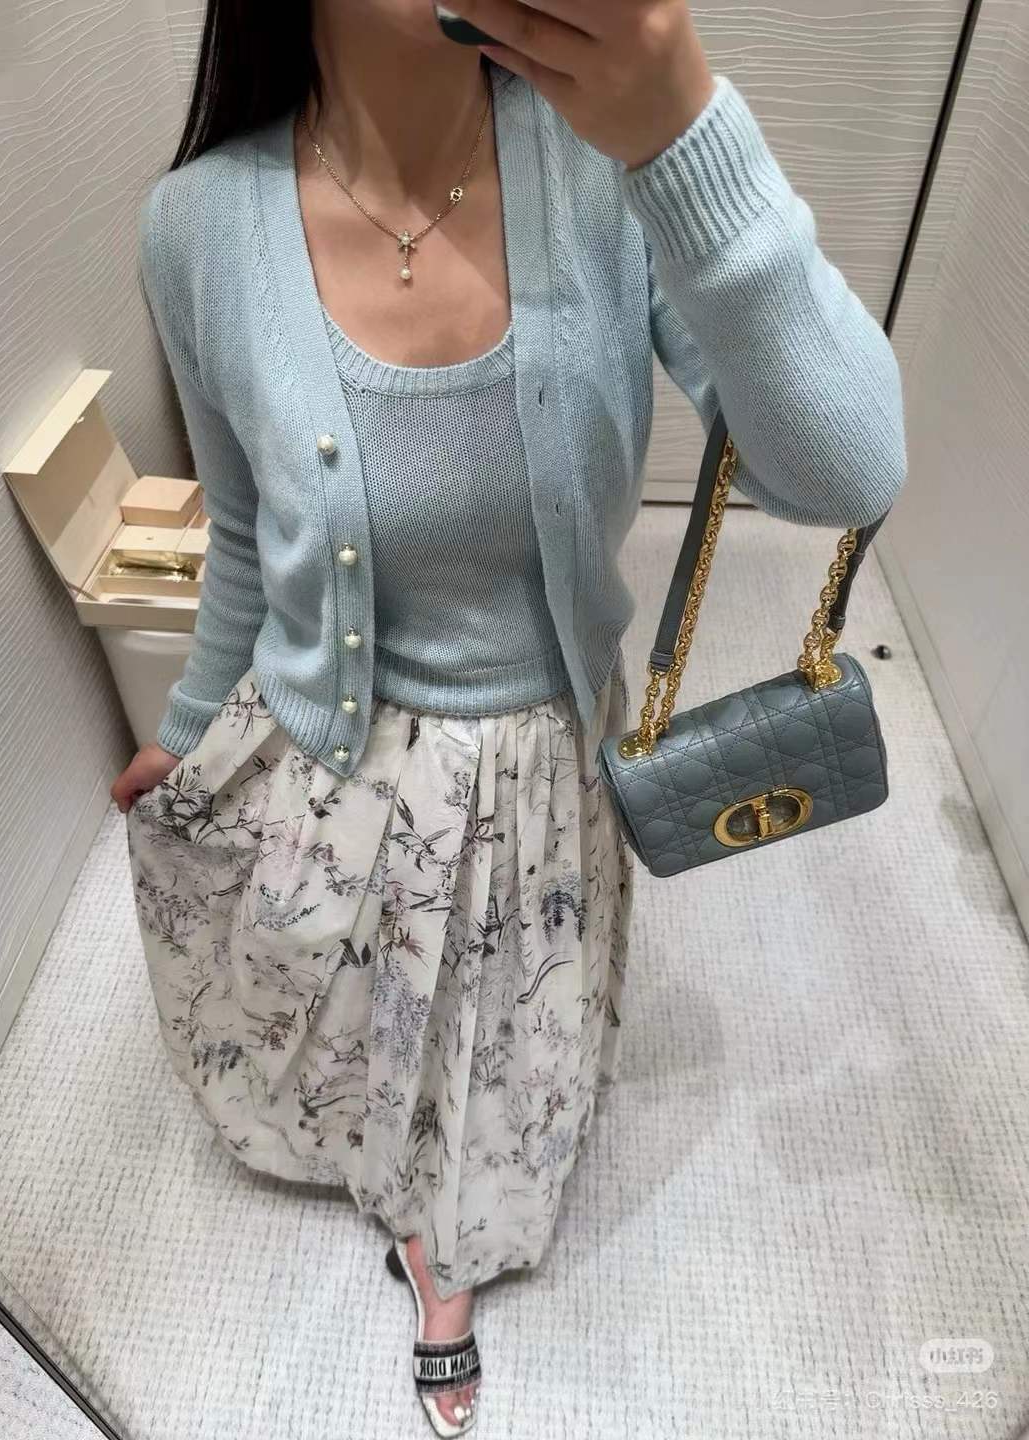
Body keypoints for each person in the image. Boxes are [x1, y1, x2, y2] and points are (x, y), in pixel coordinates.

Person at [113, 2, 907, 1433]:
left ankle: (452, 1257)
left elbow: (849, 468)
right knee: (359, 1023)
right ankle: (397, 1190)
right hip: (328, 757)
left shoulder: (609, 170)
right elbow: (243, 534)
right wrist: (184, 724)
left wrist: (687, 136)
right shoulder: (197, 228)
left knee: (500, 1061)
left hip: (544, 778)